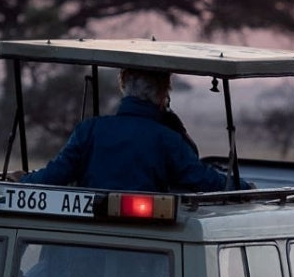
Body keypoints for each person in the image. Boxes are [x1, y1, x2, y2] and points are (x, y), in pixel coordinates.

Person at [14, 68, 242, 193]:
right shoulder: (167, 139)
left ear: (123, 85)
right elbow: (200, 178)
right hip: (148, 243)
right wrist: (240, 186)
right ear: (164, 93)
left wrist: (24, 181)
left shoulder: (89, 130)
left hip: (88, 242)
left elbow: (55, 174)